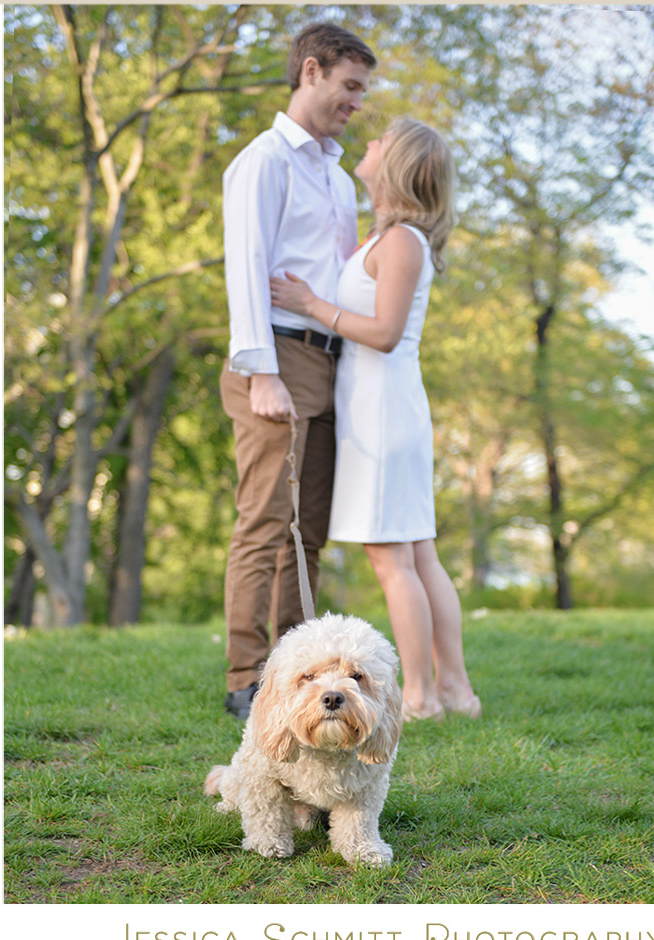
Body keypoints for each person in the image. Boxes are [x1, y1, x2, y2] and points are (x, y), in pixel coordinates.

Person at [269, 117, 481, 722]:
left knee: (396, 560)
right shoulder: (389, 238)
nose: (368, 143)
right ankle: (455, 690)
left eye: (380, 140)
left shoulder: (402, 242)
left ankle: (420, 694)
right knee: (416, 554)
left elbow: (385, 333)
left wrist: (313, 306)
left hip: (383, 410)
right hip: (380, 405)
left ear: (397, 165)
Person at [219, 23, 376, 720]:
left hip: (330, 360)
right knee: (264, 522)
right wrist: (261, 370)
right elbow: (246, 266)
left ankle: (297, 672)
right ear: (310, 72)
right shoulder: (264, 161)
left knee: (308, 531)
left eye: (362, 91)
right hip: (276, 356)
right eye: (349, 86)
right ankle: (246, 676)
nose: (357, 102)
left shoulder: (337, 177)